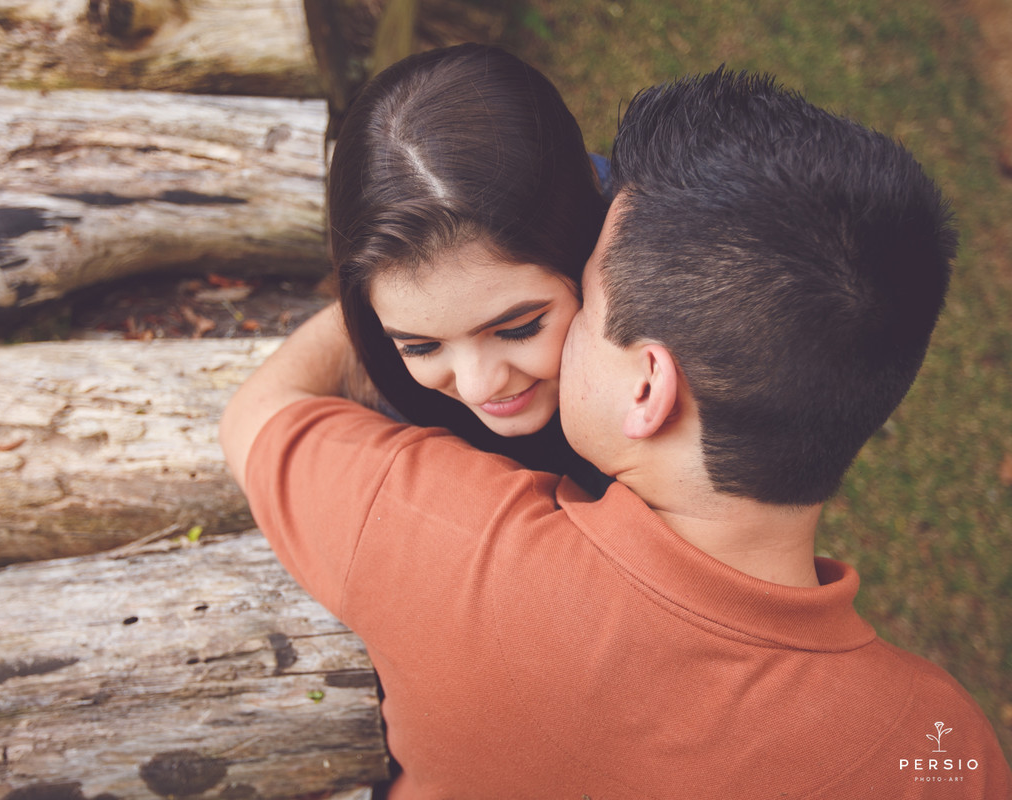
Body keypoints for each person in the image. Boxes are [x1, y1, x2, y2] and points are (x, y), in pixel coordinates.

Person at [221, 67, 1012, 797]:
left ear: (648, 385)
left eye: (584, 308)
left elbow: (260, 415)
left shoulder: (435, 537)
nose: (482, 380)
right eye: (422, 342)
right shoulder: (944, 753)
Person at [328, 44, 610, 490]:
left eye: (518, 328)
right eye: (420, 347)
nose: (478, 387)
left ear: (590, 242)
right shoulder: (389, 379)